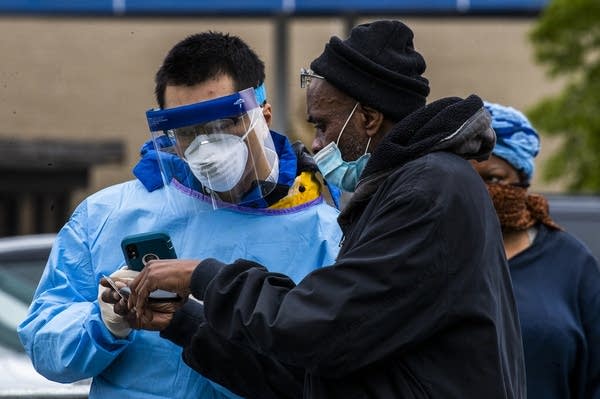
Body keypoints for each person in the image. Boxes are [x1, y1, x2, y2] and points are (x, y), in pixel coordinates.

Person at [118, 20, 527, 398]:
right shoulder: (408, 188)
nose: (315, 146)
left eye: (322, 125)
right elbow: (313, 376)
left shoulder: (430, 190)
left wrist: (202, 275)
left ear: (367, 118)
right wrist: (184, 324)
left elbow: (319, 325)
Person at [17, 32, 342, 399]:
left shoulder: (323, 234)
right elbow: (44, 343)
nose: (207, 147)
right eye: (188, 133)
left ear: (262, 115)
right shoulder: (107, 215)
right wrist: (105, 321)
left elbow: (324, 372)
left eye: (223, 125)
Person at [471, 102, 600, 399]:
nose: (479, 193)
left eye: (493, 179)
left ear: (522, 181)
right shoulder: (434, 256)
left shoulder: (572, 265)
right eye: (467, 179)